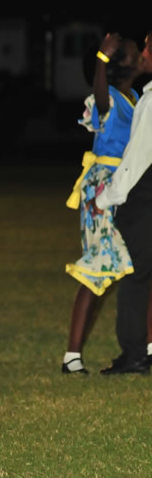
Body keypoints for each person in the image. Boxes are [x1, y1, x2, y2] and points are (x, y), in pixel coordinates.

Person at [62, 33, 141, 374]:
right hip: (102, 187)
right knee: (97, 265)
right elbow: (101, 100)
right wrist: (101, 60)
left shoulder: (135, 96)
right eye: (138, 52)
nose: (142, 54)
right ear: (122, 65)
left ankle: (142, 348)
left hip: (126, 183)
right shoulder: (107, 97)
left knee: (137, 264)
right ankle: (72, 356)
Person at [92, 31, 152, 374]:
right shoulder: (130, 97)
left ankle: (134, 354)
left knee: (134, 275)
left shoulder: (148, 100)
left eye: (146, 47)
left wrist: (107, 197)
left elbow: (136, 160)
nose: (143, 53)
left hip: (140, 197)